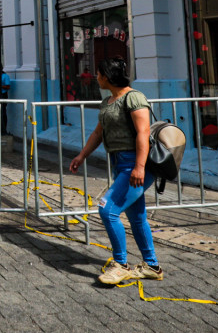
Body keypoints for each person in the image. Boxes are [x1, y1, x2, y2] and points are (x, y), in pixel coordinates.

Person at [69, 57, 163, 285]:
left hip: (135, 164)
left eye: (99, 73)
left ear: (109, 76)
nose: (96, 77)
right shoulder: (108, 101)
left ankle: (120, 264)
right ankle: (152, 266)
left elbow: (142, 133)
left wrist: (139, 167)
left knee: (107, 210)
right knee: (137, 217)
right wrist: (82, 155)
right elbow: (98, 134)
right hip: (120, 164)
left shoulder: (134, 97)